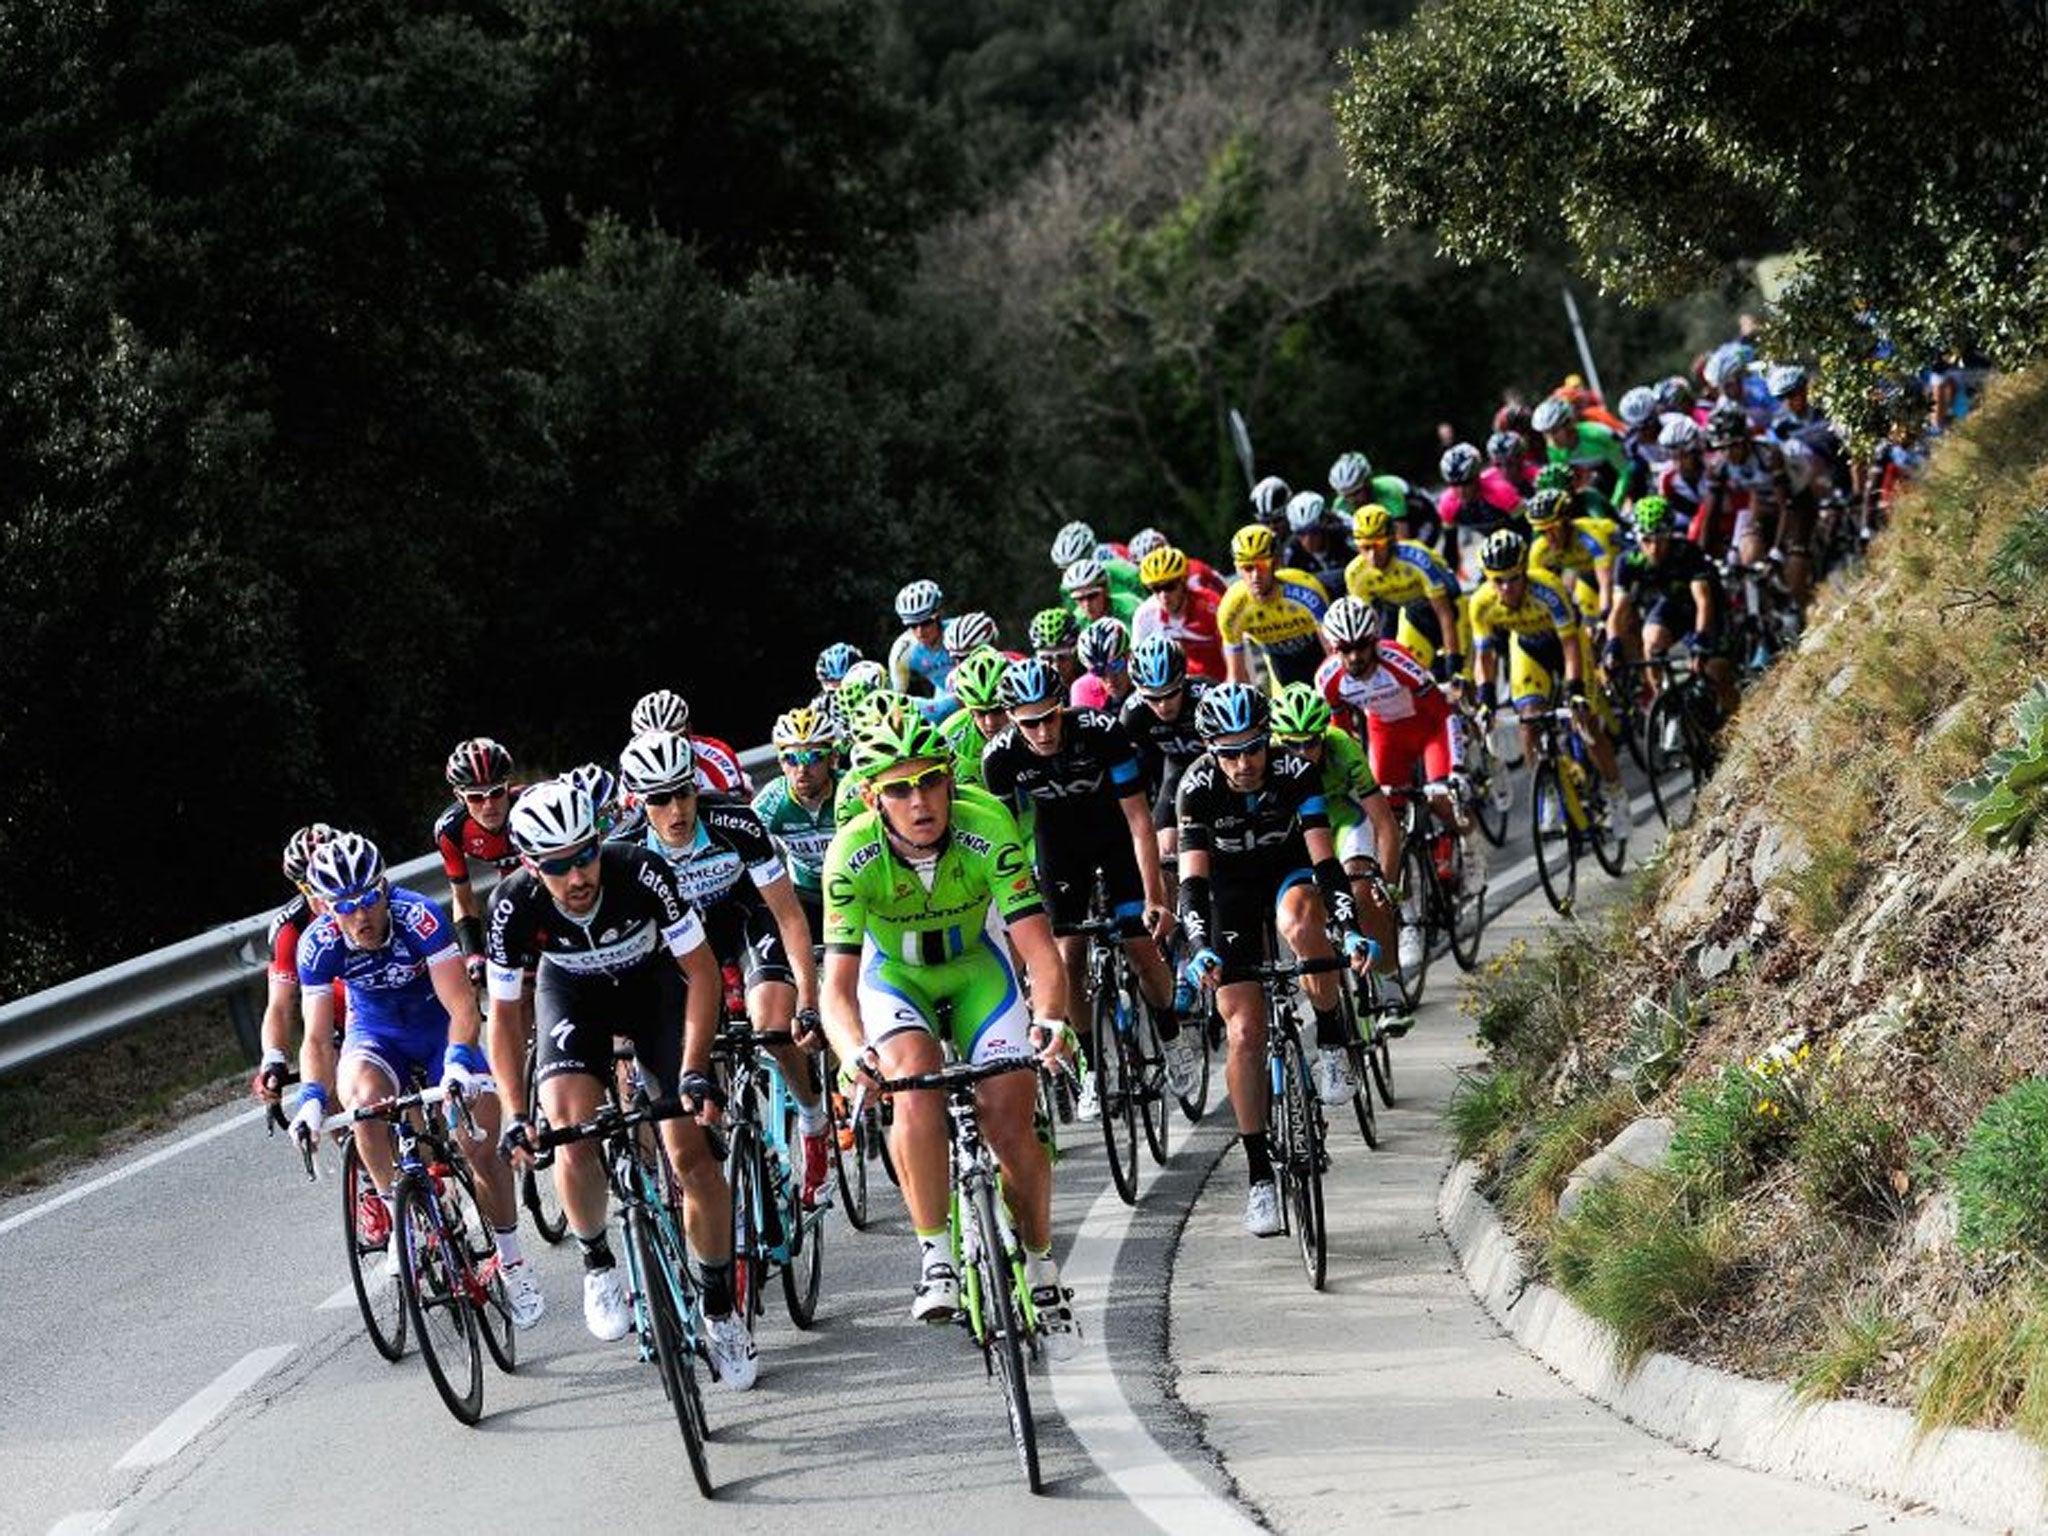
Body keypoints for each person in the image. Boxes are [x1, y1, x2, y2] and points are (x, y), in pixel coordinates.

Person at [817, 709, 1081, 1355]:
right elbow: (838, 987)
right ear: (873, 797)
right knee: (912, 1085)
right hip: (897, 977)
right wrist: (854, 1055)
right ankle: (935, 1256)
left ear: (950, 781)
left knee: (1009, 1115)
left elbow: (1040, 952)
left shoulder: (987, 826)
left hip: (977, 973)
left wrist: (1052, 1019)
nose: (919, 801)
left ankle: (1042, 1264)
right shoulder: (851, 853)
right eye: (900, 789)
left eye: (931, 782)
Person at [481, 781, 754, 1387]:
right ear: (531, 865)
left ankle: (719, 1304)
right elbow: (503, 1019)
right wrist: (512, 1114)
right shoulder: (511, 905)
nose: (577, 875)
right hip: (572, 995)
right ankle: (598, 1259)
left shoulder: (640, 870)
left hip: (654, 991)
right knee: (568, 1132)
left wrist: (693, 1068)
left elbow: (702, 973)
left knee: (690, 1155)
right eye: (557, 865)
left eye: (585, 854)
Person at [292, 831, 544, 1329]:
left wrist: (455, 1063)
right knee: (364, 1104)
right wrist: (311, 1099)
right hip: (376, 1033)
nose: (360, 916)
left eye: (368, 899)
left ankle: (513, 1261)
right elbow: (319, 1039)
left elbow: (461, 1006)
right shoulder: (316, 944)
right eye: (345, 906)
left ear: (384, 887)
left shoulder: (419, 916)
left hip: (438, 1030)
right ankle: (399, 1220)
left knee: (480, 1147)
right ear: (324, 906)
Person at [1175, 684, 1376, 1235]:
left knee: (1302, 922)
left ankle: (1332, 1037)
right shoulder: (1196, 788)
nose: (1244, 763)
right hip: (1229, 894)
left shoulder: (1294, 771)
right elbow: (1191, 886)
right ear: (1212, 750)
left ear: (1268, 741)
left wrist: (1351, 931)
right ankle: (1260, 1176)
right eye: (1230, 752)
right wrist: (1199, 950)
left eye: (1253, 748)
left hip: (1288, 875)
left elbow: (1326, 864)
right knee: (1243, 1031)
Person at [619, 730, 833, 1209]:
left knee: (774, 1029)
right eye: (660, 799)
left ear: (697, 787)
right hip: (680, 946)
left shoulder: (736, 821)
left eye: (684, 793)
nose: (677, 811)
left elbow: (788, 915)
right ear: (637, 800)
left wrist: (808, 999)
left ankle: (813, 1119)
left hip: (742, 920)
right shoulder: (626, 848)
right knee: (690, 1056)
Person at [981, 658, 1197, 1099]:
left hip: (1114, 834)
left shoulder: (1099, 729)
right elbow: (1002, 842)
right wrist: (1018, 909)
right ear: (1012, 721)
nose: (1043, 732)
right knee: (1068, 959)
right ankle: (1094, 1065)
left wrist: (1155, 896)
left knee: (1138, 943)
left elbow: (1139, 819)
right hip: (1059, 847)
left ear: (1061, 706)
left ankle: (1172, 1037)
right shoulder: (1000, 758)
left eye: (1048, 718)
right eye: (1030, 724)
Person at [1315, 597, 1480, 979]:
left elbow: (1443, 712)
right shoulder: (1328, 679)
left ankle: (1471, 845)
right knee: (1387, 816)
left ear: (1374, 641)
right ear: (1333, 648)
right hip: (1386, 734)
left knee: (1440, 799)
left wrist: (1453, 770)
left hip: (1429, 728)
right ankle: (1410, 916)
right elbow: (1341, 734)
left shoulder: (1396, 660)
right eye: (1344, 649)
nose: (1354, 657)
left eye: (1361, 646)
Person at [1467, 529, 1629, 841]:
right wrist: (1486, 699)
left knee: (1588, 724)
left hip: (1564, 646)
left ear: (1524, 571)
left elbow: (1570, 646)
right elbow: (1484, 658)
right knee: (1529, 722)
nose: (1505, 587)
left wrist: (1576, 691)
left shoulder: (1548, 590)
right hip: (1528, 647)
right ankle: (1550, 792)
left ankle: (1615, 794)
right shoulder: (1481, 603)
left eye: (1513, 578)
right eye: (1497, 580)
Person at [1268, 683, 1402, 993]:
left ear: (1324, 735)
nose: (1302, 754)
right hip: (1297, 829)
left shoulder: (1343, 747)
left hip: (1341, 821)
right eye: (1292, 745)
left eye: (1311, 743)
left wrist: (1388, 884)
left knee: (1361, 890)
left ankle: (1389, 980)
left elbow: (1384, 822)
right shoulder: (1267, 756)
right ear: (1277, 739)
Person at [1605, 496, 1737, 714]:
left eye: (1661, 539)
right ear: (1638, 538)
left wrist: (1701, 642)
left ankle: (1741, 726)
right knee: (1652, 641)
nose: (1655, 548)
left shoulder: (1686, 552)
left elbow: (1703, 600)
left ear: (1670, 535)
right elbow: (1617, 612)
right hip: (1672, 606)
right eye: (1647, 540)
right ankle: (1664, 705)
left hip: (1706, 609)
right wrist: (1612, 646)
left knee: (1715, 672)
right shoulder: (1628, 561)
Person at [253, 823, 345, 1103]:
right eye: (311, 886)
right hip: (338, 1021)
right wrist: (273, 1060)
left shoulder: (375, 900)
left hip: (395, 1000)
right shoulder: (290, 927)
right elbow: (280, 1006)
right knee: (321, 1087)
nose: (323, 895)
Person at [433, 736, 523, 989]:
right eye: (475, 798)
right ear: (459, 796)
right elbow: (462, 898)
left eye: (496, 793)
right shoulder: (451, 830)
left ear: (508, 786)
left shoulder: (530, 806)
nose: (489, 805)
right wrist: (473, 953)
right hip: (511, 884)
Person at [1343, 503, 1466, 681]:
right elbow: (1367, 624)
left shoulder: (1417, 559)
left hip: (1449, 608)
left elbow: (1444, 613)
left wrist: (1453, 659)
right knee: (1409, 673)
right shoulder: (1355, 573)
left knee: (1460, 674)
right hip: (1411, 614)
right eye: (1364, 547)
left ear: (1392, 539)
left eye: (1378, 545)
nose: (1372, 556)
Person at [751, 706, 841, 943]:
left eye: (813, 758)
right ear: (781, 763)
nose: (802, 770)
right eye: (790, 759)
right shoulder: (771, 802)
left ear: (833, 758)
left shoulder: (850, 793)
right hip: (804, 894)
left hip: (854, 891)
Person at [1217, 524, 1329, 688]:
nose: (1255, 576)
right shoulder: (1232, 608)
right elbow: (1236, 676)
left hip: (1318, 658)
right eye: (1247, 568)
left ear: (1276, 563)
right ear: (1237, 569)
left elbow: (1333, 652)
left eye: (1262, 566)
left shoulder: (1307, 590)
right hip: (1281, 670)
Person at [629, 689, 751, 795]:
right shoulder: (630, 765)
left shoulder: (717, 756)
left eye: (673, 740)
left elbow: (736, 811)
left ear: (689, 730)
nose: (663, 750)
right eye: (651, 744)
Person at [1131, 546, 1226, 680]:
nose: (1164, 595)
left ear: (1183, 582)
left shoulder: (1211, 606)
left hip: (1218, 686)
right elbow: (1139, 666)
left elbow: (1237, 654)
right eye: (1156, 589)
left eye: (1169, 587)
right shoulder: (1144, 615)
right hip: (1176, 691)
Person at [938, 646, 1011, 789]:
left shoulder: (1031, 723)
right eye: (980, 713)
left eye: (998, 711)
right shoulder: (949, 733)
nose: (990, 723)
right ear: (968, 709)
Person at [887, 579, 959, 720]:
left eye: (926, 623)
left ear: (938, 614)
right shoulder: (903, 651)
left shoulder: (958, 632)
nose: (920, 632)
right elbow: (897, 695)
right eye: (913, 625)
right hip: (942, 696)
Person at [1072, 616, 1135, 712]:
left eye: (1115, 666)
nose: (1110, 679)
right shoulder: (1082, 688)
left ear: (1130, 656)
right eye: (1098, 671)